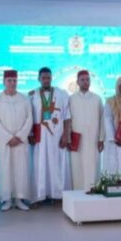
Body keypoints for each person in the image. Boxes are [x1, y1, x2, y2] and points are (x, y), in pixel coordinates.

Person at [28, 67, 71, 204]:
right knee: (39, 165)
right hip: (39, 138)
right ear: (39, 79)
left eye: (48, 77)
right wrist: (30, 134)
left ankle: (57, 196)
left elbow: (67, 117)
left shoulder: (61, 94)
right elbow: (28, 117)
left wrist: (66, 136)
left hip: (57, 136)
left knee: (56, 165)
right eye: (43, 78)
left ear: (52, 78)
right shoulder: (32, 95)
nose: (46, 80)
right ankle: (39, 196)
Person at [0, 70, 32, 211]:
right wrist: (8, 137)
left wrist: (20, 136)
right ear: (4, 82)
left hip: (20, 141)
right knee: (5, 169)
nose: (12, 83)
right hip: (5, 142)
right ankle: (6, 199)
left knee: (20, 169)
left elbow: (29, 119)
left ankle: (19, 199)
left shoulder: (25, 99)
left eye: (14, 80)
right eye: (9, 81)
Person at [68, 70, 105, 191]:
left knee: (93, 165)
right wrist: (68, 138)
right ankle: (78, 193)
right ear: (77, 82)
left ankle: (93, 191)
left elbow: (102, 120)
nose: (85, 82)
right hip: (77, 140)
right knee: (77, 166)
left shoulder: (97, 99)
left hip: (93, 139)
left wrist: (101, 139)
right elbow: (68, 120)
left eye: (87, 79)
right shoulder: (71, 99)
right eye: (82, 80)